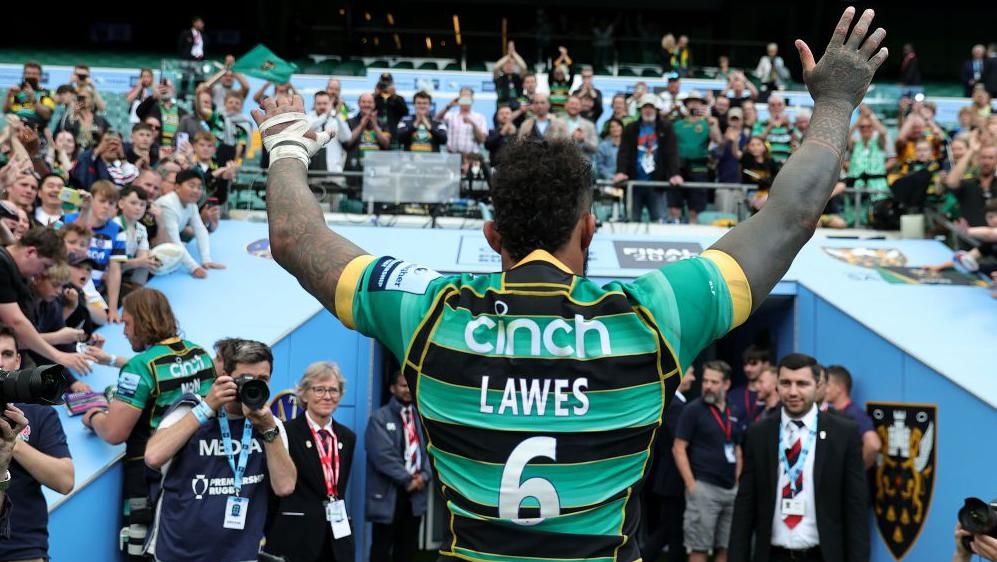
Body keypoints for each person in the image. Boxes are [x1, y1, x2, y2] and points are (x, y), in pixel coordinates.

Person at [250, 9, 887, 557]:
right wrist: (835, 101)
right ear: (590, 229)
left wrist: (284, 146)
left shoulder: (429, 312)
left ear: (493, 236)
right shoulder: (649, 316)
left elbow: (294, 241)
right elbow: (790, 217)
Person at [82, 288, 215, 560]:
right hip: (198, 470)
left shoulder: (140, 367)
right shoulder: (199, 354)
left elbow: (114, 432)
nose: (124, 332)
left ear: (143, 322)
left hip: (150, 478)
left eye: (128, 323)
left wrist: (93, 416)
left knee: (141, 553)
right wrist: (111, 360)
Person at [144, 340, 295, 562]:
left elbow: (285, 486)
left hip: (238, 554)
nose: (253, 385)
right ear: (224, 376)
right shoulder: (190, 408)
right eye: (245, 379)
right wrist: (206, 408)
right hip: (178, 552)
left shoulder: (270, 424)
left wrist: (267, 429)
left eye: (262, 380)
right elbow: (153, 457)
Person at [729, 353, 869, 562]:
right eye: (786, 383)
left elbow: (855, 509)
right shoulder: (759, 433)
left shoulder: (843, 434)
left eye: (802, 384)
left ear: (818, 385)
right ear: (777, 386)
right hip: (773, 554)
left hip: (821, 554)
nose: (793, 392)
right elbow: (745, 506)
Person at [264, 362, 357, 562]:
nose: (327, 396)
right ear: (304, 394)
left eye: (333, 390)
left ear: (340, 396)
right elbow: (273, 493)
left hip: (336, 538)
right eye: (319, 389)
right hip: (296, 537)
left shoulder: (348, 437)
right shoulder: (286, 433)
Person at [0, 326, 75, 562]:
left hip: (23, 549)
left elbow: (64, 481)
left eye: (6, 354)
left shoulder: (40, 413)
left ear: (18, 360)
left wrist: (13, 442)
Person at [673, 361, 743, 562]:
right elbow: (678, 448)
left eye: (714, 382)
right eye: (705, 381)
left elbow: (737, 448)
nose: (708, 386)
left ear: (726, 384)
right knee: (699, 547)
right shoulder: (693, 410)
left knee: (726, 547)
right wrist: (691, 486)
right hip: (704, 488)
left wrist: (737, 481)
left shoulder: (734, 411)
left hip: (730, 489)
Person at [0, 227, 91, 374]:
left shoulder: (15, 268)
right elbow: (16, 322)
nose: (42, 272)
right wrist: (59, 356)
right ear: (31, 252)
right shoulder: (2, 265)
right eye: (45, 266)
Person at [366, 371, 432, 562]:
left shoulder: (421, 417)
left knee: (408, 549)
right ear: (392, 388)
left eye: (410, 385)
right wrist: (408, 479)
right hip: (389, 495)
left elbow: (430, 450)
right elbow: (382, 456)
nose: (408, 390)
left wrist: (424, 476)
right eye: (403, 385)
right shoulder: (379, 418)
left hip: (415, 496)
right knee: (381, 549)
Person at [642, 367, 696, 562]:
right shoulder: (675, 406)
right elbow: (680, 440)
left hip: (669, 479)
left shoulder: (676, 404)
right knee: (672, 533)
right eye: (690, 373)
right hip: (672, 479)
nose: (693, 378)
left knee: (668, 530)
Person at [613, 94, 682, 222]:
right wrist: (621, 171)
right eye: (645, 107)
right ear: (640, 110)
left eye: (651, 107)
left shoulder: (666, 128)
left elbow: (671, 153)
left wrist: (674, 173)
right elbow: (624, 153)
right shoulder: (631, 128)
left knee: (659, 222)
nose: (648, 110)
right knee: (632, 221)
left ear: (656, 110)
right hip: (634, 183)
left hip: (656, 183)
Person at [66, 180, 126, 320]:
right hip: (66, 282)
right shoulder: (67, 219)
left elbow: (114, 270)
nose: (106, 207)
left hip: (93, 291)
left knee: (102, 319)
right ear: (91, 200)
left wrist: (112, 309)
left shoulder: (118, 231)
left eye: (111, 203)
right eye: (102, 201)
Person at [156, 169, 225, 278]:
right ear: (177, 187)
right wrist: (193, 268)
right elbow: (175, 241)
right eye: (192, 186)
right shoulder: (167, 205)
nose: (196, 191)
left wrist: (206, 259)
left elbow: (200, 230)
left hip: (167, 244)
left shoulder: (191, 204)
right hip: (153, 248)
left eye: (199, 187)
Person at [672, 91, 723, 224]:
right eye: (691, 101)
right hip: (679, 168)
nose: (694, 104)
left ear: (702, 105)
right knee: (674, 206)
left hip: (699, 168)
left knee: (695, 208)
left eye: (697, 102)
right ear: (686, 105)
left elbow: (718, 140)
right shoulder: (678, 124)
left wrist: (713, 124)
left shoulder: (708, 123)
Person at [824, 365, 882, 469]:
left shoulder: (855, 414)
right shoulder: (830, 413)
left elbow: (873, 444)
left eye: (827, 385)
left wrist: (856, 470)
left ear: (839, 388)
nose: (824, 389)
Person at [115, 186, 156, 289]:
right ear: (121, 204)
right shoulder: (113, 226)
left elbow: (142, 257)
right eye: (133, 203)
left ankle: (138, 290)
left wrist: (145, 260)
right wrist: (138, 262)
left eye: (142, 205)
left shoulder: (141, 229)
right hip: (107, 274)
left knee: (149, 257)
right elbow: (110, 265)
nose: (138, 208)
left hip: (124, 273)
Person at [306, 91, 352, 173]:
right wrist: (326, 114)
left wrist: (338, 116)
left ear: (330, 104)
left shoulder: (337, 118)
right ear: (314, 104)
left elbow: (347, 137)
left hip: (333, 171)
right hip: (313, 172)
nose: (322, 106)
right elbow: (309, 128)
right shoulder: (309, 118)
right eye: (319, 103)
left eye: (325, 103)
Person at [729, 345, 771, 432]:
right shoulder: (733, 395)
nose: (748, 369)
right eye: (745, 364)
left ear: (766, 365)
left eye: (753, 364)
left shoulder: (773, 395)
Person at [436, 87, 488, 155]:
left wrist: (473, 124)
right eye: (463, 98)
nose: (465, 100)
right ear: (459, 99)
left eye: (468, 98)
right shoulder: (451, 116)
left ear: (472, 99)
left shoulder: (480, 117)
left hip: (472, 157)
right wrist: (449, 106)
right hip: (452, 156)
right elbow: (436, 119)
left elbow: (482, 140)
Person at [494, 41, 527, 108]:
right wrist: (508, 55)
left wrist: (513, 53)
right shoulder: (499, 77)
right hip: (502, 107)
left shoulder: (518, 77)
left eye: (511, 64)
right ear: (502, 66)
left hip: (517, 107)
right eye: (506, 64)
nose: (509, 66)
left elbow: (524, 67)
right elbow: (495, 68)